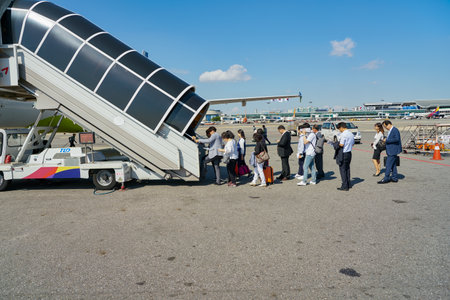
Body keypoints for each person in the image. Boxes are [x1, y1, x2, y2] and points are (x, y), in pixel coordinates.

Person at [336, 122, 354, 191]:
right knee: (347, 169)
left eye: (339, 129)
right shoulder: (351, 134)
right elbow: (352, 144)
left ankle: (344, 186)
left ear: (341, 127)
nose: (339, 130)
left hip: (343, 153)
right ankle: (348, 184)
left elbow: (341, 144)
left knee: (342, 170)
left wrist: (335, 144)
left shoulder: (343, 134)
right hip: (349, 153)